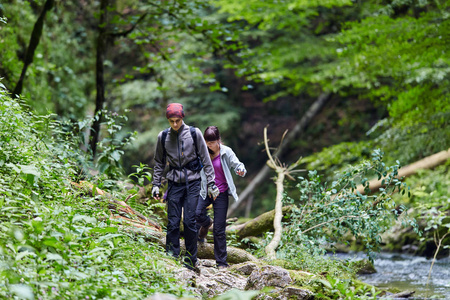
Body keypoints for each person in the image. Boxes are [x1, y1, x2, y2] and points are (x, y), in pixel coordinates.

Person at [152, 103, 219, 272]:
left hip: (193, 182)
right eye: (172, 121)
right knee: (173, 222)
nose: (175, 124)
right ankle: (172, 257)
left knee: (190, 221)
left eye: (178, 120)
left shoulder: (194, 134)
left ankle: (191, 259)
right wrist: (155, 184)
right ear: (168, 120)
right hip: (174, 183)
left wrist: (211, 183)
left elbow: (206, 160)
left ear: (183, 118)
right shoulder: (163, 136)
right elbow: (159, 163)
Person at [196, 126, 246, 269]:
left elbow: (238, 164)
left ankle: (221, 263)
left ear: (218, 140)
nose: (208, 145)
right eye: (206, 142)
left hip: (221, 193)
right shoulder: (202, 151)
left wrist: (241, 170)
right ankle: (206, 224)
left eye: (211, 142)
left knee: (219, 229)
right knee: (197, 214)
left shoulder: (226, 152)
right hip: (205, 191)